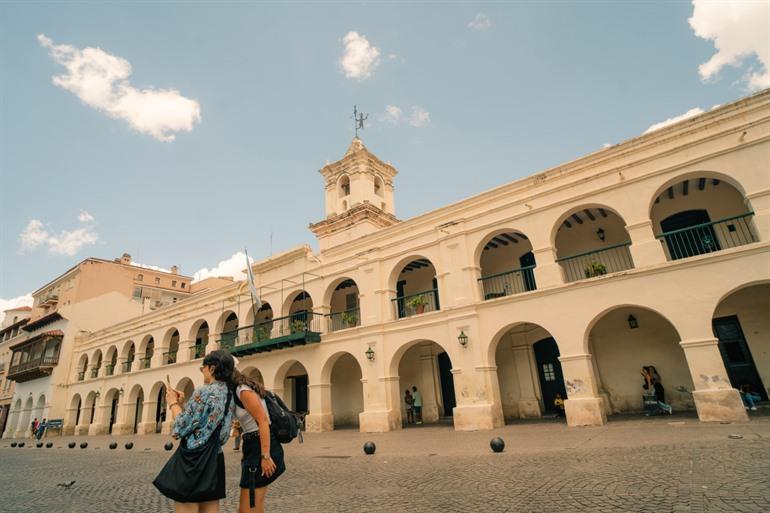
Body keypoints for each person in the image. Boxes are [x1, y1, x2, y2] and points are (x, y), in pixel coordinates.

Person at [165, 350, 235, 513]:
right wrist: (184, 406)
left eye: (202, 368)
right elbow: (206, 427)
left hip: (193, 460)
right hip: (215, 458)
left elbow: (179, 429)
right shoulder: (229, 394)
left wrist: (173, 403)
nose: (201, 371)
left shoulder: (204, 391)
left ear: (212, 368)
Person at [228, 367, 284, 513]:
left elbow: (263, 420)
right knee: (253, 508)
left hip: (260, 446)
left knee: (248, 509)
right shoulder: (237, 390)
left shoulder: (242, 390)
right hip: (252, 445)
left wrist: (265, 456)